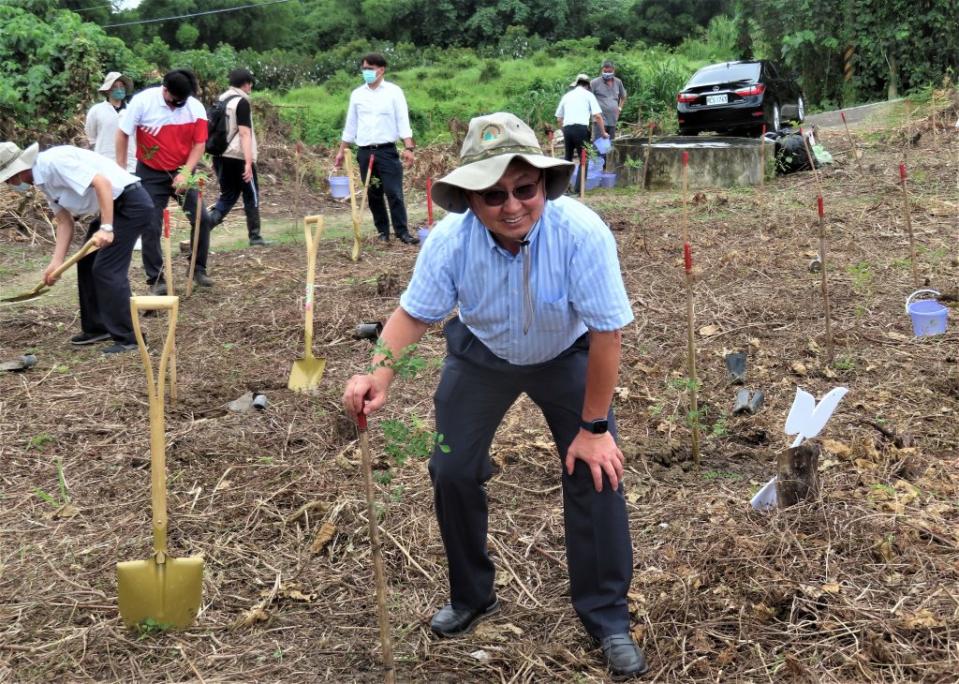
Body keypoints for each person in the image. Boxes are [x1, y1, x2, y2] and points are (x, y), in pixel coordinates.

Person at [342, 113, 647, 680]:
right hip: (482, 354)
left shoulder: (581, 233)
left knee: (596, 470)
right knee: (451, 468)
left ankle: (606, 616)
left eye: (524, 190)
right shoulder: (451, 242)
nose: (511, 206)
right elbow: (413, 315)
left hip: (568, 352)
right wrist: (377, 377)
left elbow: (607, 334)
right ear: (469, 199)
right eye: (493, 195)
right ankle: (473, 594)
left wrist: (595, 428)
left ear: (543, 187)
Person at [1, 141, 153, 353]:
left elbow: (102, 183)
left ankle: (130, 338)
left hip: (131, 204)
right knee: (87, 262)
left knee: (106, 270)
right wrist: (56, 263)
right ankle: (98, 327)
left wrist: (107, 227)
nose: (9, 183)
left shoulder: (54, 163)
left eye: (8, 178)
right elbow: (64, 221)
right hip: (116, 206)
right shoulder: (42, 180)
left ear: (18, 169)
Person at [116, 68, 214, 293]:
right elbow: (122, 133)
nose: (176, 104)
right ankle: (156, 279)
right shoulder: (143, 102)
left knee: (202, 218)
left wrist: (186, 173)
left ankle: (198, 269)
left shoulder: (195, 108)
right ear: (165, 89)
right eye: (173, 99)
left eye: (182, 100)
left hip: (182, 171)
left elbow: (199, 144)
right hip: (150, 171)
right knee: (150, 225)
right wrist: (120, 170)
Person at [333, 52, 419, 245]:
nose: (366, 72)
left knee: (393, 191)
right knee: (373, 193)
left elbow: (403, 121)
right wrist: (341, 151)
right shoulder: (357, 95)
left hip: (387, 151)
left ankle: (402, 232)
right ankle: (382, 231)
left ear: (381, 70)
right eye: (364, 69)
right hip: (364, 151)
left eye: (370, 69)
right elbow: (350, 126)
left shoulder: (394, 92)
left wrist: (409, 147)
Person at [207, 68, 269, 247]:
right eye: (250, 84)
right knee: (251, 194)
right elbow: (244, 134)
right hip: (237, 156)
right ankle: (255, 237)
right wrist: (249, 163)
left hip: (219, 155)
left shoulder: (221, 99)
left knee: (228, 195)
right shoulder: (241, 102)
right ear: (247, 84)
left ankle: (205, 225)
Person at [85, 71, 137, 172]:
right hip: (105, 163)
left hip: (131, 163)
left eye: (121, 86)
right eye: (115, 87)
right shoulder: (96, 110)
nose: (119, 89)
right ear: (108, 90)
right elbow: (91, 137)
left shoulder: (133, 110)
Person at [555, 74, 608, 163]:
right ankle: (582, 177)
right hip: (580, 130)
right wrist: (603, 132)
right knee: (584, 160)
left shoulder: (566, 96)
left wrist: (565, 131)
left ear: (577, 84)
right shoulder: (588, 95)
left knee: (568, 158)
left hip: (567, 129)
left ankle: (565, 177)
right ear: (587, 85)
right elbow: (597, 116)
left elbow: (559, 119)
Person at [590, 61, 627, 168]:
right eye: (605, 71)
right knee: (598, 142)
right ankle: (597, 168)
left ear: (613, 71)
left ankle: (607, 166)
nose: (607, 73)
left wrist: (619, 108)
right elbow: (589, 98)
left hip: (613, 119)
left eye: (609, 71)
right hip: (599, 118)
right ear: (602, 70)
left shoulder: (618, 82)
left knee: (609, 143)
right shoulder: (594, 83)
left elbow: (623, 96)